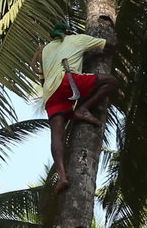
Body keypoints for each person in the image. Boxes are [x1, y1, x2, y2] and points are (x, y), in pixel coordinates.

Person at [30, 22, 117, 194]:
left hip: (49, 93)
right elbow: (111, 45)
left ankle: (62, 176)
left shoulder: (46, 49)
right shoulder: (78, 39)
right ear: (68, 32)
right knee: (112, 82)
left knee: (56, 135)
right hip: (67, 82)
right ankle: (83, 109)